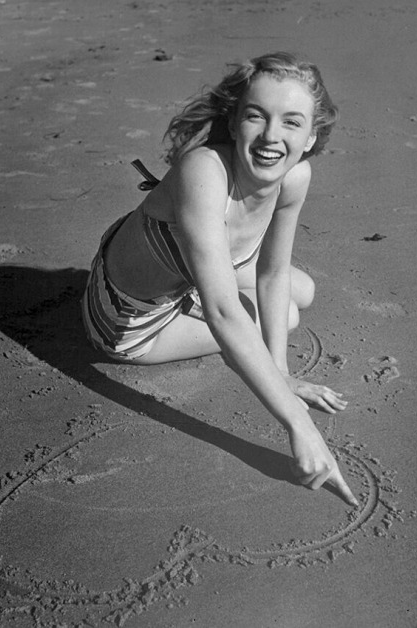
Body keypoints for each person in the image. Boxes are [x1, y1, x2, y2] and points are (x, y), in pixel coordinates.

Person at [82, 51, 358, 507]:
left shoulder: (295, 177)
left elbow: (271, 273)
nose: (272, 136)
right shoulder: (204, 172)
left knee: (300, 289)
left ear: (311, 136)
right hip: (126, 319)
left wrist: (282, 375)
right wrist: (299, 424)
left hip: (185, 269)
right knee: (284, 316)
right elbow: (224, 312)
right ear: (234, 123)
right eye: (256, 116)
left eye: (291, 122)